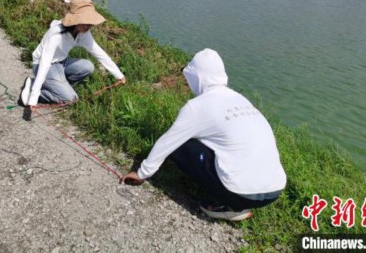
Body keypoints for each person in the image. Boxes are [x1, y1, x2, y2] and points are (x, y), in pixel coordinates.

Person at [121, 48, 286, 221]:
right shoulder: (239, 99)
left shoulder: (197, 106)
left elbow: (168, 142)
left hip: (241, 194)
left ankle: (231, 208)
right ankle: (235, 198)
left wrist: (141, 173)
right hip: (274, 190)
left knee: (181, 145)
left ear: (198, 77)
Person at [23, 0, 126, 111]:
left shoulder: (83, 32)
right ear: (75, 20)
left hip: (61, 63)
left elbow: (99, 53)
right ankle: (34, 87)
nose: (89, 26)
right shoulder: (56, 35)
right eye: (85, 22)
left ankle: (58, 86)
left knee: (88, 66)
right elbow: (45, 63)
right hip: (44, 65)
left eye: (90, 23)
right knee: (71, 99)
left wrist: (119, 75)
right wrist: (33, 96)